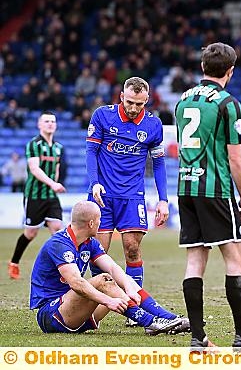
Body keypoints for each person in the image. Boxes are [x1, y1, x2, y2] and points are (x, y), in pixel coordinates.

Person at [174, 42, 241, 349]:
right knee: (235, 257)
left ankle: (198, 339)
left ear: (202, 67)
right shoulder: (228, 103)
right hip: (215, 188)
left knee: (194, 260)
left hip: (186, 187)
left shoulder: (182, 100)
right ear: (231, 71)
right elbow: (236, 157)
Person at [30, 201, 189, 335]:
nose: (101, 223)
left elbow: (112, 267)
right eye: (99, 220)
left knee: (119, 278)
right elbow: (76, 283)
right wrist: (109, 301)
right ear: (91, 223)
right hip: (51, 315)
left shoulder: (89, 242)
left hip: (76, 313)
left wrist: (129, 287)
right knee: (103, 280)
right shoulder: (59, 244)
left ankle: (167, 318)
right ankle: (150, 322)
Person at [85, 76, 169, 323]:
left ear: (147, 101)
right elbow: (91, 151)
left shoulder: (153, 125)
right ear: (121, 96)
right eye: (130, 102)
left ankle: (135, 308)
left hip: (133, 196)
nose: (133, 108)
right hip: (102, 196)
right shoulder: (102, 116)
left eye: (139, 104)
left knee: (132, 248)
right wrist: (94, 183)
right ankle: (97, 304)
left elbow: (159, 162)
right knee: (98, 254)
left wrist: (163, 199)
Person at [8, 112, 66, 280]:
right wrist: (53, 184)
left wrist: (55, 183)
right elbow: (34, 169)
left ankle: (61, 270)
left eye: (53, 121)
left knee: (58, 230)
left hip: (50, 196)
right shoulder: (34, 144)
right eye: (46, 121)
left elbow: (56, 168)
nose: (50, 124)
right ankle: (14, 262)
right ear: (39, 125)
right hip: (34, 196)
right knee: (31, 233)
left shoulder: (58, 147)